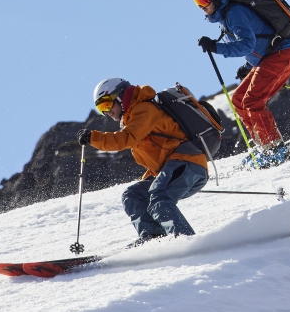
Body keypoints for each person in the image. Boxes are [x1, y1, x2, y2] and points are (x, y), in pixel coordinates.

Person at [78, 77, 209, 243]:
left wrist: (93, 138)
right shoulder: (132, 118)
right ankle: (153, 237)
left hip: (188, 163)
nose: (107, 112)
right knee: (133, 195)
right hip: (174, 168)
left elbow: (126, 138)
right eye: (101, 108)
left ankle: (185, 241)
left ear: (121, 97)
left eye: (107, 104)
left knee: (159, 197)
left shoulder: (144, 109)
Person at [191, 0, 290, 168]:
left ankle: (274, 147)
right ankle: (263, 147)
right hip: (276, 57)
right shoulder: (227, 15)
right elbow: (258, 41)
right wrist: (248, 67)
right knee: (239, 100)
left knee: (252, 100)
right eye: (197, 3)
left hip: (281, 55)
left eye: (204, 0)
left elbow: (247, 45)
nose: (202, 7)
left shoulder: (234, 12)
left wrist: (216, 48)